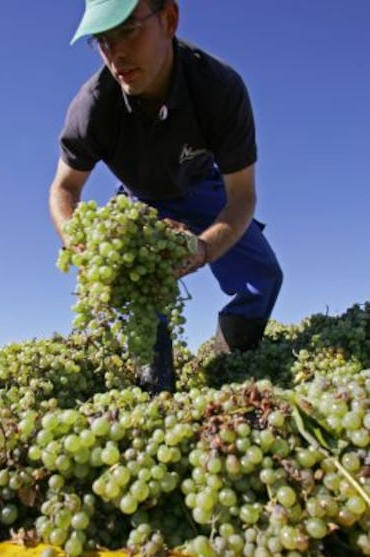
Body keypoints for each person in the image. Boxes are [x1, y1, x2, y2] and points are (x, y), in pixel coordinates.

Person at [49, 0, 283, 392]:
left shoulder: (219, 90)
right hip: (138, 203)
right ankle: (155, 385)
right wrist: (80, 242)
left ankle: (228, 365)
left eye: (128, 30)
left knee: (263, 276)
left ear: (169, 19)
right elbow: (63, 189)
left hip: (202, 188)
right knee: (143, 292)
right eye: (102, 40)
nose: (116, 53)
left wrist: (205, 248)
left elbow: (241, 197)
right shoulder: (91, 108)